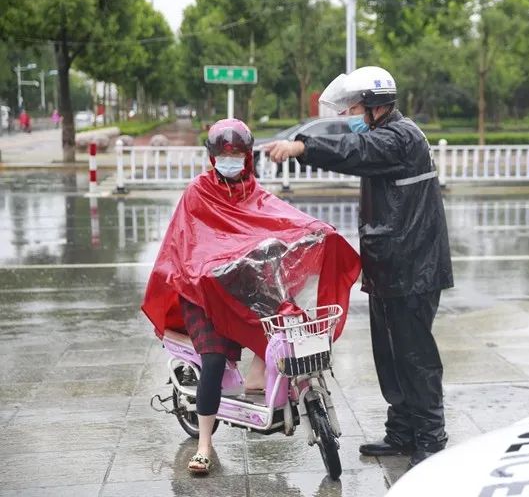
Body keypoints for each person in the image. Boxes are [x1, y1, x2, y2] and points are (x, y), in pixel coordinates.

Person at [142, 118, 360, 475]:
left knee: (280, 322)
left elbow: (281, 218)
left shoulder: (253, 192)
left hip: (238, 286)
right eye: (223, 155)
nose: (230, 161)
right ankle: (204, 445)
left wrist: (317, 231)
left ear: (247, 157)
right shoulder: (198, 192)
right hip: (200, 290)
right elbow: (186, 245)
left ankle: (259, 379)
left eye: (237, 155)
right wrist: (207, 266)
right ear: (212, 157)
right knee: (213, 361)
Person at [265, 66, 454, 468]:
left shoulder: (400, 137)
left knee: (415, 357)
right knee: (390, 356)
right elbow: (359, 148)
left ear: (373, 105)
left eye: (353, 107)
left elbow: (353, 150)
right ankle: (402, 433)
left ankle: (431, 437)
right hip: (391, 265)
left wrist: (302, 147)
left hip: (413, 267)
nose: (349, 114)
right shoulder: (385, 133)